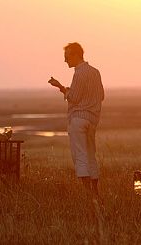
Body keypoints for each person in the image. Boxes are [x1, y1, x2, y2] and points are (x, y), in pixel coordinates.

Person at [48, 42, 104, 196]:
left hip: (79, 119)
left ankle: (88, 194)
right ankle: (95, 192)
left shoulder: (79, 73)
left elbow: (74, 97)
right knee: (91, 155)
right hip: (93, 119)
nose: (65, 61)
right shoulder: (95, 72)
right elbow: (102, 96)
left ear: (75, 55)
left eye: (67, 57)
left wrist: (60, 87)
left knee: (80, 156)